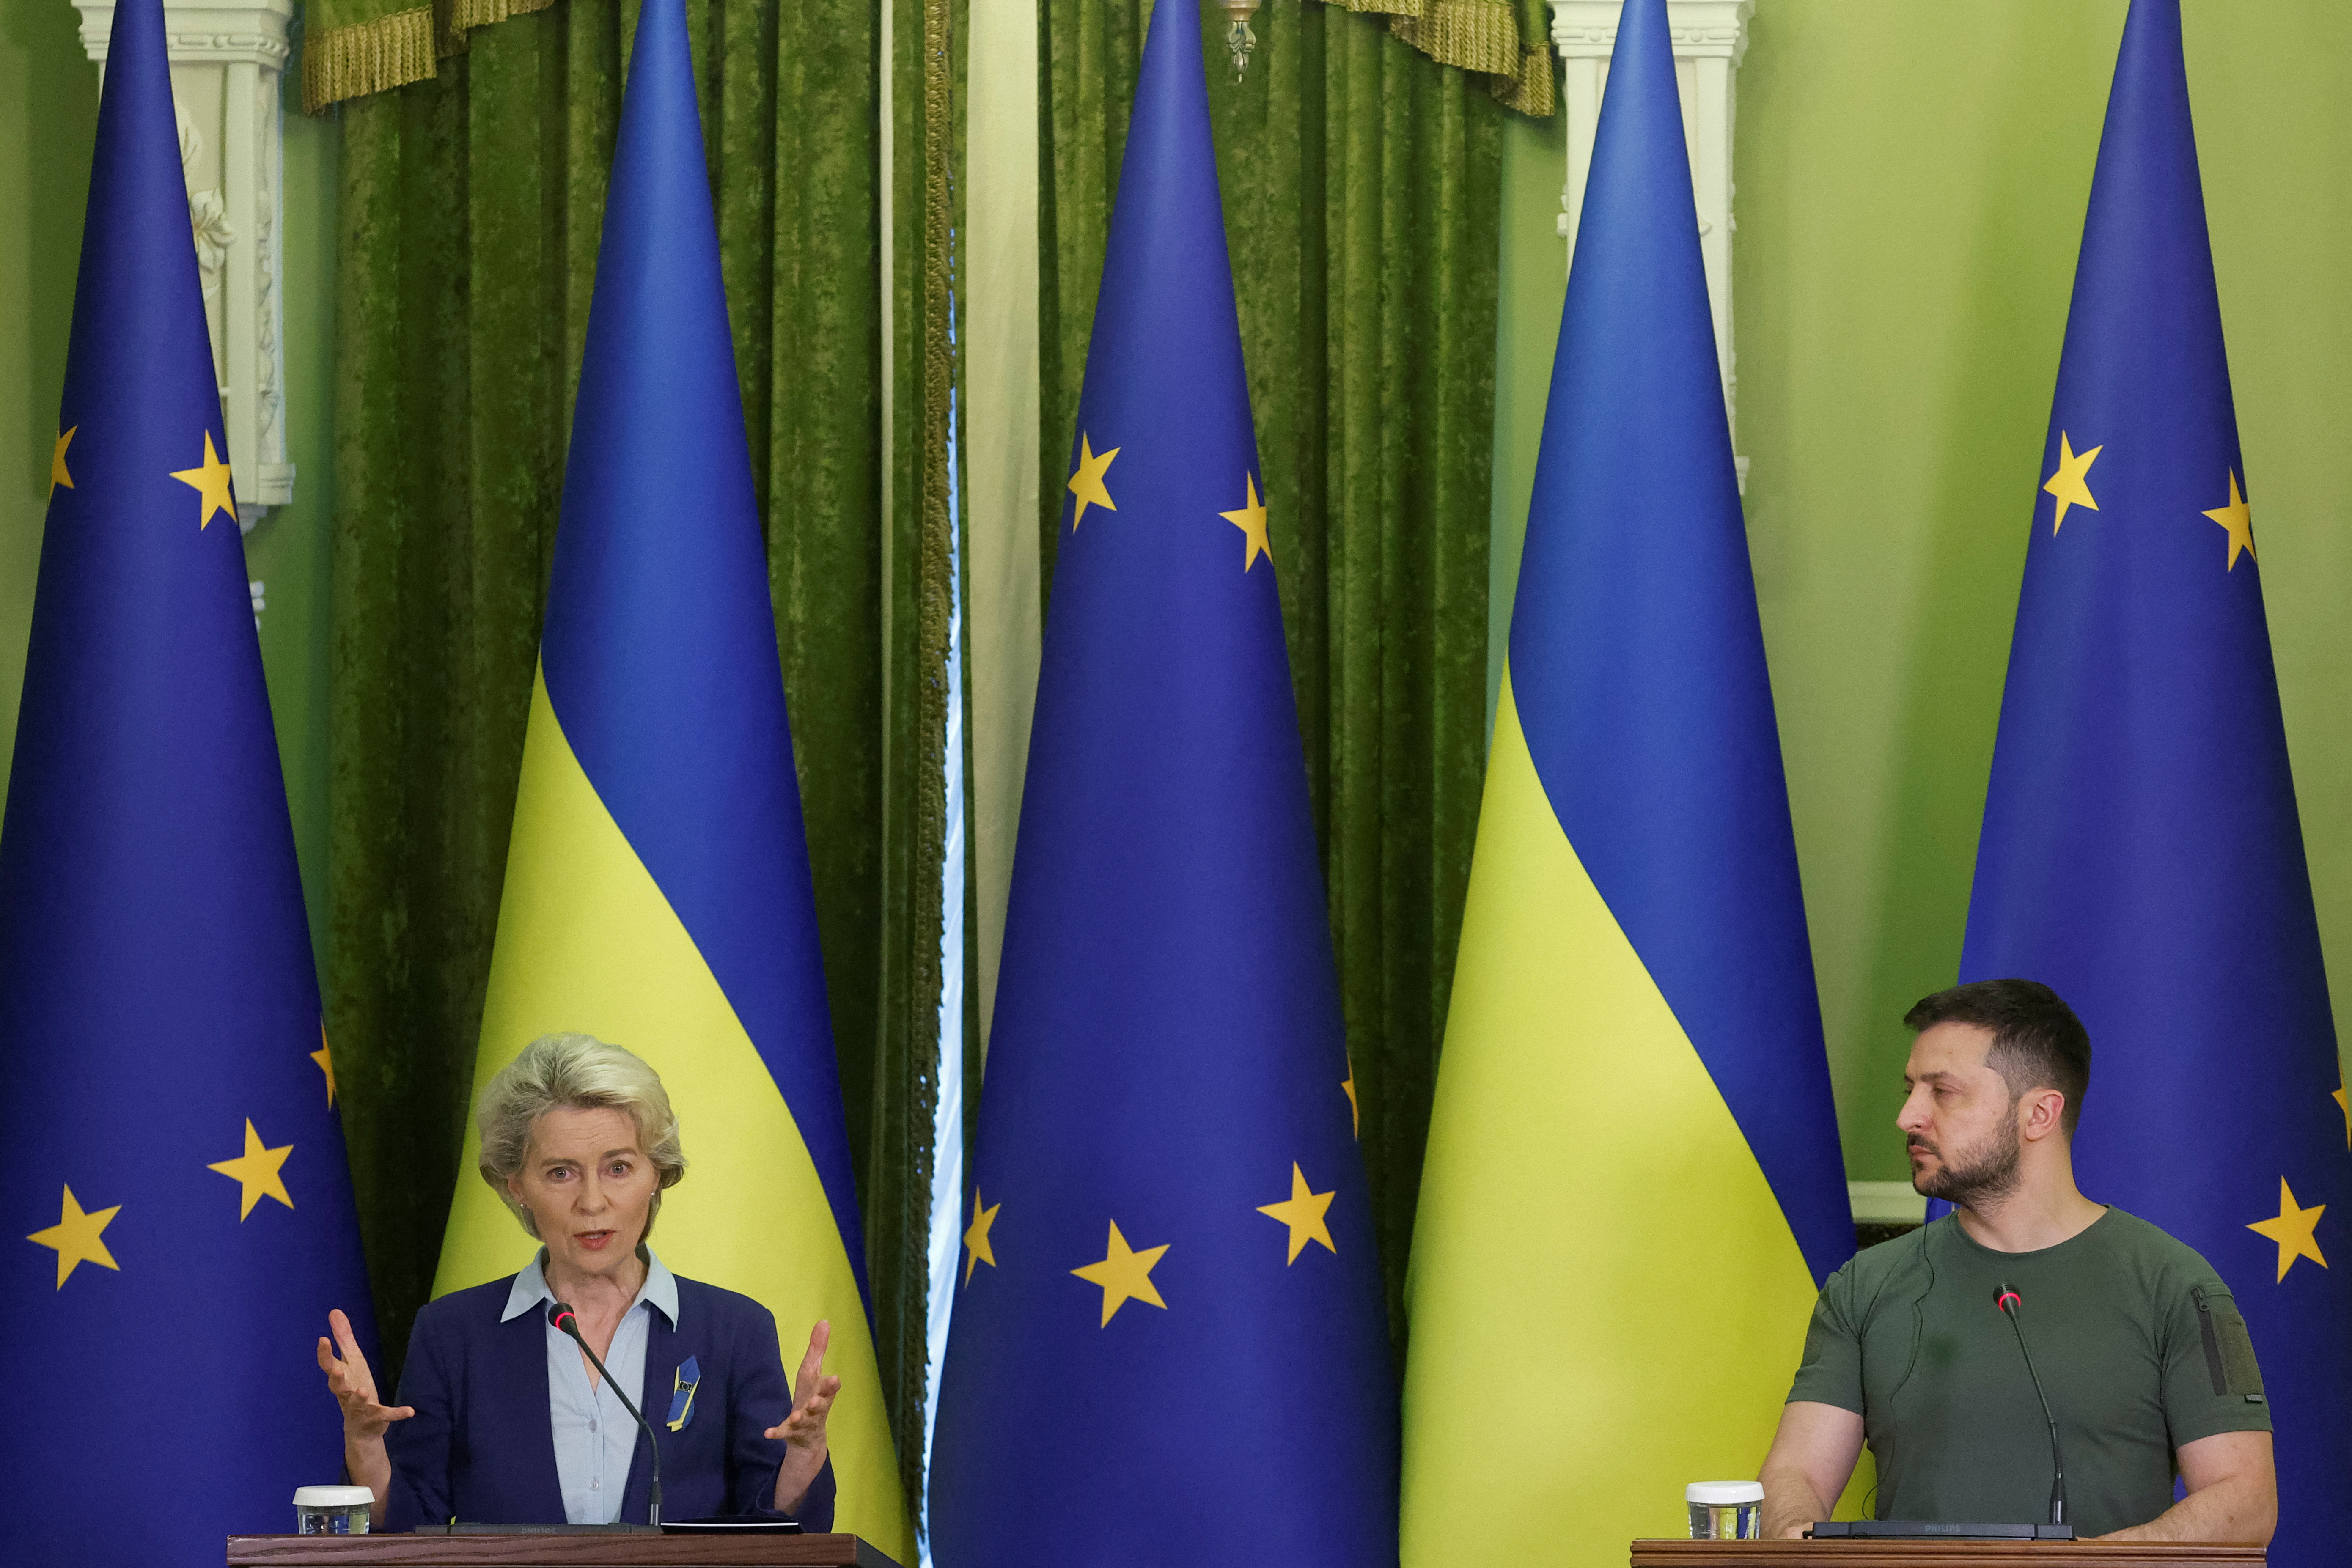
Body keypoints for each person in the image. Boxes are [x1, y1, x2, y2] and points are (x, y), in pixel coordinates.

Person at [1758, 980, 2275, 1544]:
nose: (1909, 1115)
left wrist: (2093, 1563)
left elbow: (2245, 1501)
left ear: (2038, 1113)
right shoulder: (1862, 1286)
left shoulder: (2177, 1285)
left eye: (1943, 1091)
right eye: (1910, 1089)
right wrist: (1791, 1533)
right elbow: (1798, 1472)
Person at [314, 1032, 841, 1531]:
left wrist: (804, 1455)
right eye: (561, 1172)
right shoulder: (453, 1334)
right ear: (517, 1185)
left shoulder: (735, 1330)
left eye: (618, 1167)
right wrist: (365, 1443)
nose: (592, 1202)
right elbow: (405, 1526)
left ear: (656, 1172)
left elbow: (778, 1530)